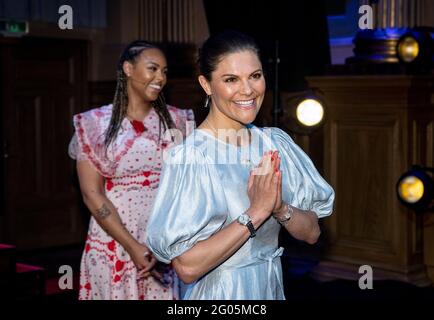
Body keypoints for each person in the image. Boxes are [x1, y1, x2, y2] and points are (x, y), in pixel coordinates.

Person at [145, 31, 334, 300]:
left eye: (255, 76)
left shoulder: (275, 143)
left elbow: (313, 233)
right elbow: (186, 267)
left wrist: (280, 207)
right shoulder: (192, 157)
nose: (247, 90)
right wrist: (256, 212)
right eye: (231, 79)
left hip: (270, 288)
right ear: (206, 84)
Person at [68, 40, 194, 300]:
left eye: (165, 71)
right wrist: (133, 247)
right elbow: (92, 194)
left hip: (162, 239)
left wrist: (171, 239)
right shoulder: (94, 124)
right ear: (128, 68)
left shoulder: (179, 121)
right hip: (115, 239)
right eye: (152, 68)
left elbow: (187, 185)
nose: (160, 77)